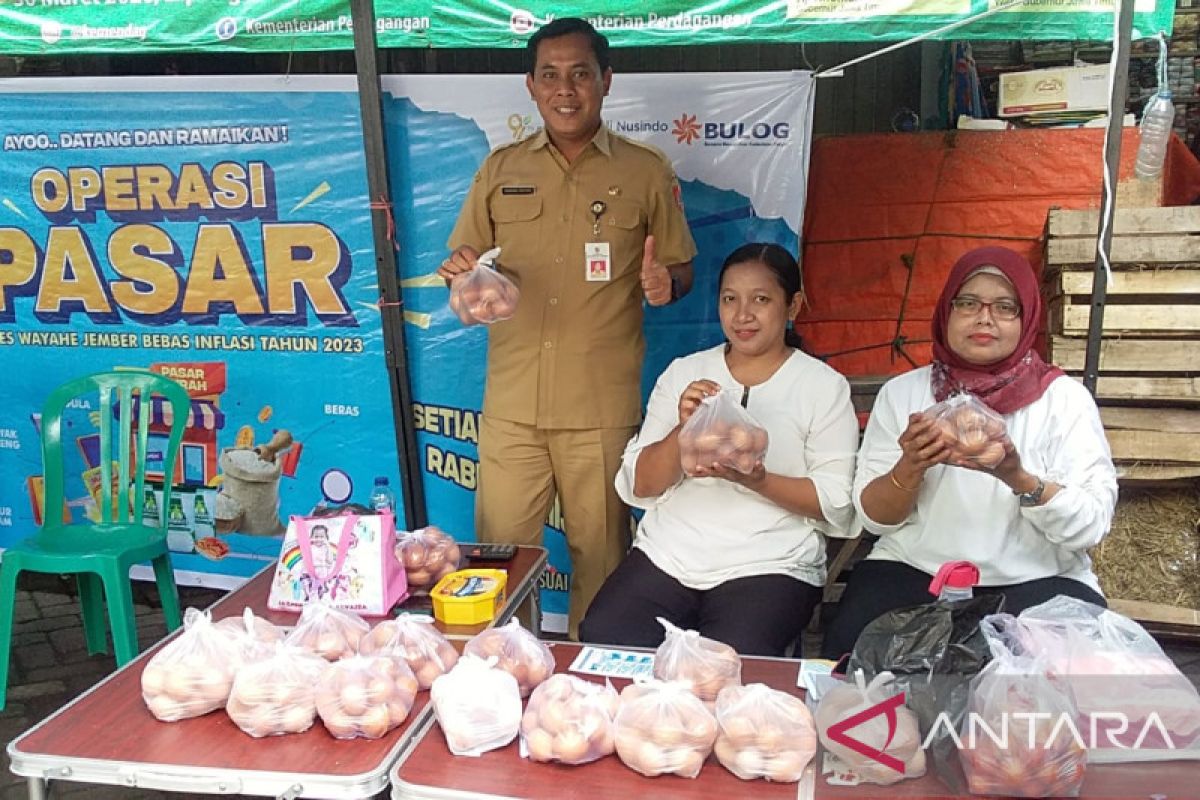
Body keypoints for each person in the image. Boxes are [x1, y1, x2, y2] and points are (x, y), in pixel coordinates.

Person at [437, 18, 697, 639]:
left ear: (606, 82)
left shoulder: (645, 172)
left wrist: (668, 283)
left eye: (580, 73)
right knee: (498, 561)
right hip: (513, 406)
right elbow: (464, 263)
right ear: (530, 87)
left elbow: (681, 266)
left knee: (604, 564)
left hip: (600, 410)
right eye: (550, 75)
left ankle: (586, 691)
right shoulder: (500, 170)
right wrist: (461, 278)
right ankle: (503, 676)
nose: (566, 89)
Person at [821, 246, 1118, 659]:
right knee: (852, 662)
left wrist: (1018, 478)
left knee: (1054, 693)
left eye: (1005, 307)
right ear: (946, 312)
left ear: (1028, 317)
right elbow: (874, 518)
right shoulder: (905, 394)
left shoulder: (1063, 400)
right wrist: (911, 467)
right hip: (917, 573)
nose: (984, 318)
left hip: (1037, 580)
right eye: (968, 303)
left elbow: (1089, 526)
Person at [579, 243, 859, 657]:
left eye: (760, 300)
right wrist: (683, 430)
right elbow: (640, 485)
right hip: (670, 554)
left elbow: (833, 501)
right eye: (730, 299)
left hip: (770, 561)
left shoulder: (822, 386)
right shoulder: (685, 373)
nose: (742, 315)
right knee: (606, 636)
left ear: (793, 305)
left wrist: (757, 480)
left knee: (726, 664)